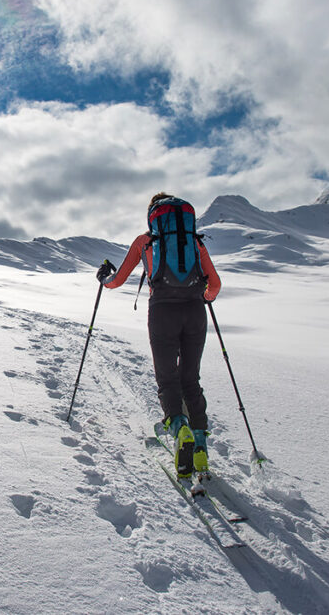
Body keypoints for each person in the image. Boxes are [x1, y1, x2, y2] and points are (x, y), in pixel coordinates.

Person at [96, 192, 221, 477]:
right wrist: (204, 296)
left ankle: (179, 429)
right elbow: (215, 285)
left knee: (167, 377)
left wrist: (103, 276)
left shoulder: (146, 241)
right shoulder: (195, 242)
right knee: (191, 377)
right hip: (195, 311)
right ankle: (200, 441)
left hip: (162, 310)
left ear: (154, 217)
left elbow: (116, 281)